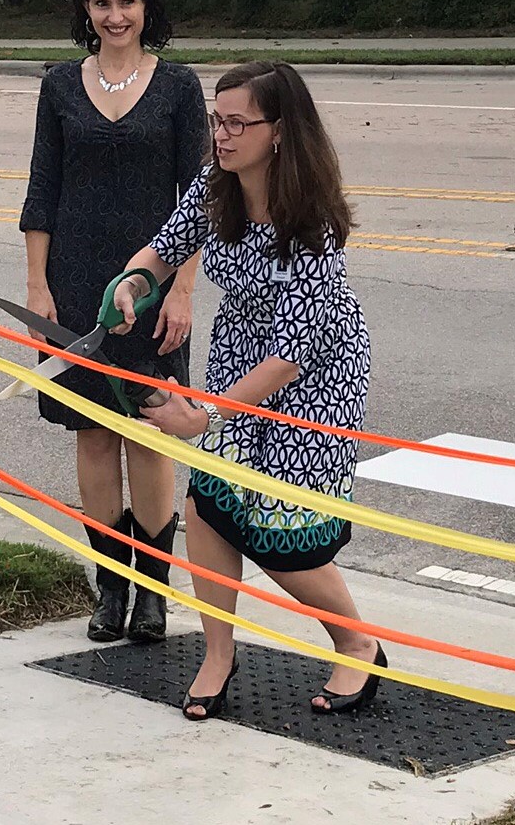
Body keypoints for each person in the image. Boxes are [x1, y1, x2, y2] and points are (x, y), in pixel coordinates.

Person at [108, 61, 381, 720]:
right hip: (239, 353)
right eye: (217, 120)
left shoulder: (311, 225)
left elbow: (291, 355)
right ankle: (218, 654)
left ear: (280, 132)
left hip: (312, 374)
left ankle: (357, 645)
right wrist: (133, 283)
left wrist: (204, 416)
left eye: (237, 123)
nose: (222, 137)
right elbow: (167, 246)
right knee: (211, 508)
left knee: (283, 533)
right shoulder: (216, 183)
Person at [19, 0, 209, 643]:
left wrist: (183, 290)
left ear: (146, 9)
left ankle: (154, 592)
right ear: (86, 14)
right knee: (93, 433)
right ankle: (111, 587)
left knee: (151, 431)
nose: (115, 14)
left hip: (154, 287)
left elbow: (201, 197)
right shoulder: (60, 87)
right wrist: (38, 285)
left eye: (127, 1)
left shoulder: (180, 87)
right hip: (74, 285)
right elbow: (43, 190)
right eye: (102, 3)